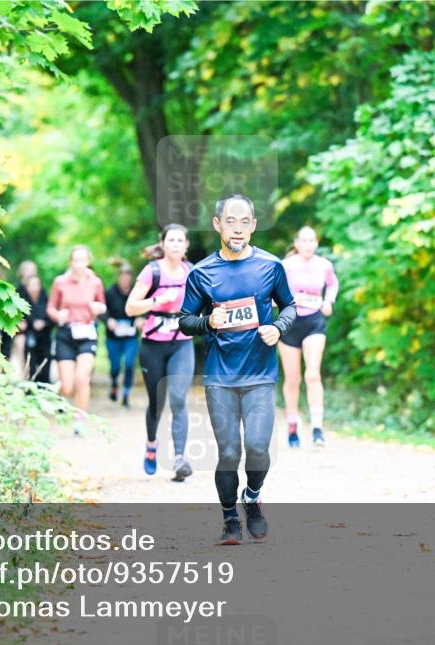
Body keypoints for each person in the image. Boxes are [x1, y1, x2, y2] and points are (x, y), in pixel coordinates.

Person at [179, 195, 296, 545]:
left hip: (260, 373)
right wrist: (208, 322)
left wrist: (278, 327)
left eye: (245, 222)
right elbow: (184, 320)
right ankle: (230, 519)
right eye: (231, 221)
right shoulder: (201, 273)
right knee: (229, 453)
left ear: (254, 226)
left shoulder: (271, 266)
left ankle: (252, 497)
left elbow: (290, 306)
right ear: (218, 224)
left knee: (258, 448)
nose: (238, 229)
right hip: (221, 376)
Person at [125, 224, 195, 481]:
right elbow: (130, 308)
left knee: (178, 398)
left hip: (182, 343)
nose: (175, 244)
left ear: (186, 245)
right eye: (171, 240)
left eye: (180, 240)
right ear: (163, 244)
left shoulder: (192, 272)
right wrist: (157, 301)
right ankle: (152, 444)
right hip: (153, 345)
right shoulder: (152, 271)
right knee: (157, 402)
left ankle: (179, 458)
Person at [280, 226, 339, 447]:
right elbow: (272, 293)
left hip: (314, 322)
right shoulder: (285, 265)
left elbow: (333, 284)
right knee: (293, 378)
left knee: (313, 375)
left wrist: (328, 301)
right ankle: (292, 425)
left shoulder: (324, 265)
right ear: (296, 243)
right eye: (303, 241)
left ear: (316, 243)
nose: (308, 245)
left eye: (312, 240)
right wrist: (288, 300)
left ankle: (317, 428)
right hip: (289, 323)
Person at [47, 246, 106, 435]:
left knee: (82, 378)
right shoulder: (60, 282)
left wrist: (99, 308)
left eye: (82, 260)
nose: (79, 264)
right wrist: (58, 315)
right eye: (75, 260)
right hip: (65, 334)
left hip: (87, 333)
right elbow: (50, 308)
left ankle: (80, 421)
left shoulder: (95, 282)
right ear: (70, 262)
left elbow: (102, 305)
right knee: (67, 386)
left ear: (88, 262)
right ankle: (55, 396)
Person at [104, 264, 141, 408]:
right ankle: (114, 383)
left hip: (131, 336)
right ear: (118, 277)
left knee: (129, 364)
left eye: (128, 276)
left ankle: (125, 394)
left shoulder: (137, 292)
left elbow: (145, 308)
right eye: (123, 276)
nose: (125, 279)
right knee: (115, 366)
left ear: (131, 278)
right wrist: (108, 320)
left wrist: (141, 318)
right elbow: (102, 311)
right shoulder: (109, 292)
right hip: (113, 337)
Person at [20, 273, 53, 383]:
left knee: (45, 364)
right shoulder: (22, 302)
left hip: (45, 338)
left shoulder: (46, 300)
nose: (34, 288)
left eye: (36, 285)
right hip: (30, 337)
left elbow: (53, 319)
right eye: (32, 285)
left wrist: (44, 323)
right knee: (31, 364)